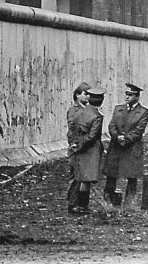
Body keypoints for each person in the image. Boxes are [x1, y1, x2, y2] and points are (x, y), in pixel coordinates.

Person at [104, 83, 148, 207]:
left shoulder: (143, 112)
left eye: (131, 95)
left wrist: (126, 139)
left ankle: (129, 203)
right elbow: (111, 125)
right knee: (112, 174)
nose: (127, 97)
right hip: (116, 147)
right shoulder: (118, 108)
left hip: (132, 148)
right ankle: (108, 201)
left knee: (131, 175)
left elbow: (139, 130)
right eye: (126, 94)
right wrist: (117, 137)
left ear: (137, 97)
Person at [68, 87, 106, 214]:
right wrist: (82, 145)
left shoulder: (79, 112)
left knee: (78, 177)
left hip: (78, 148)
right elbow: (92, 136)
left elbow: (72, 129)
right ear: (101, 100)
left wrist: (75, 144)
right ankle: (83, 206)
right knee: (87, 179)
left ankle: (76, 204)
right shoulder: (97, 116)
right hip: (90, 150)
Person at [66, 81, 91, 214]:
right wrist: (73, 144)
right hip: (76, 147)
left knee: (84, 176)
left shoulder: (87, 109)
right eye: (85, 94)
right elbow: (72, 128)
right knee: (75, 177)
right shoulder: (73, 110)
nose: (88, 97)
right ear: (77, 95)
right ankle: (72, 204)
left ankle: (82, 204)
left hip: (85, 147)